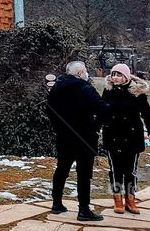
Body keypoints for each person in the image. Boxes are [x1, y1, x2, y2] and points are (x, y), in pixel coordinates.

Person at [47, 60, 111, 222]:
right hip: (85, 136)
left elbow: (50, 111)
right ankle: (83, 209)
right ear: (80, 73)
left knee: (62, 169)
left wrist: (58, 128)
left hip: (63, 136)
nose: (87, 73)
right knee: (84, 173)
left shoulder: (56, 87)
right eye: (85, 71)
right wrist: (96, 126)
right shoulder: (85, 88)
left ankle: (57, 204)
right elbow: (103, 108)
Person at [101, 63, 150, 214]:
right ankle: (117, 199)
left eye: (119, 75)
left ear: (126, 76)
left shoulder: (137, 92)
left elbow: (147, 114)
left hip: (132, 136)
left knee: (130, 170)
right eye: (113, 74)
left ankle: (130, 200)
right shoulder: (108, 91)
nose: (115, 78)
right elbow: (101, 111)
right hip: (112, 135)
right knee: (115, 170)